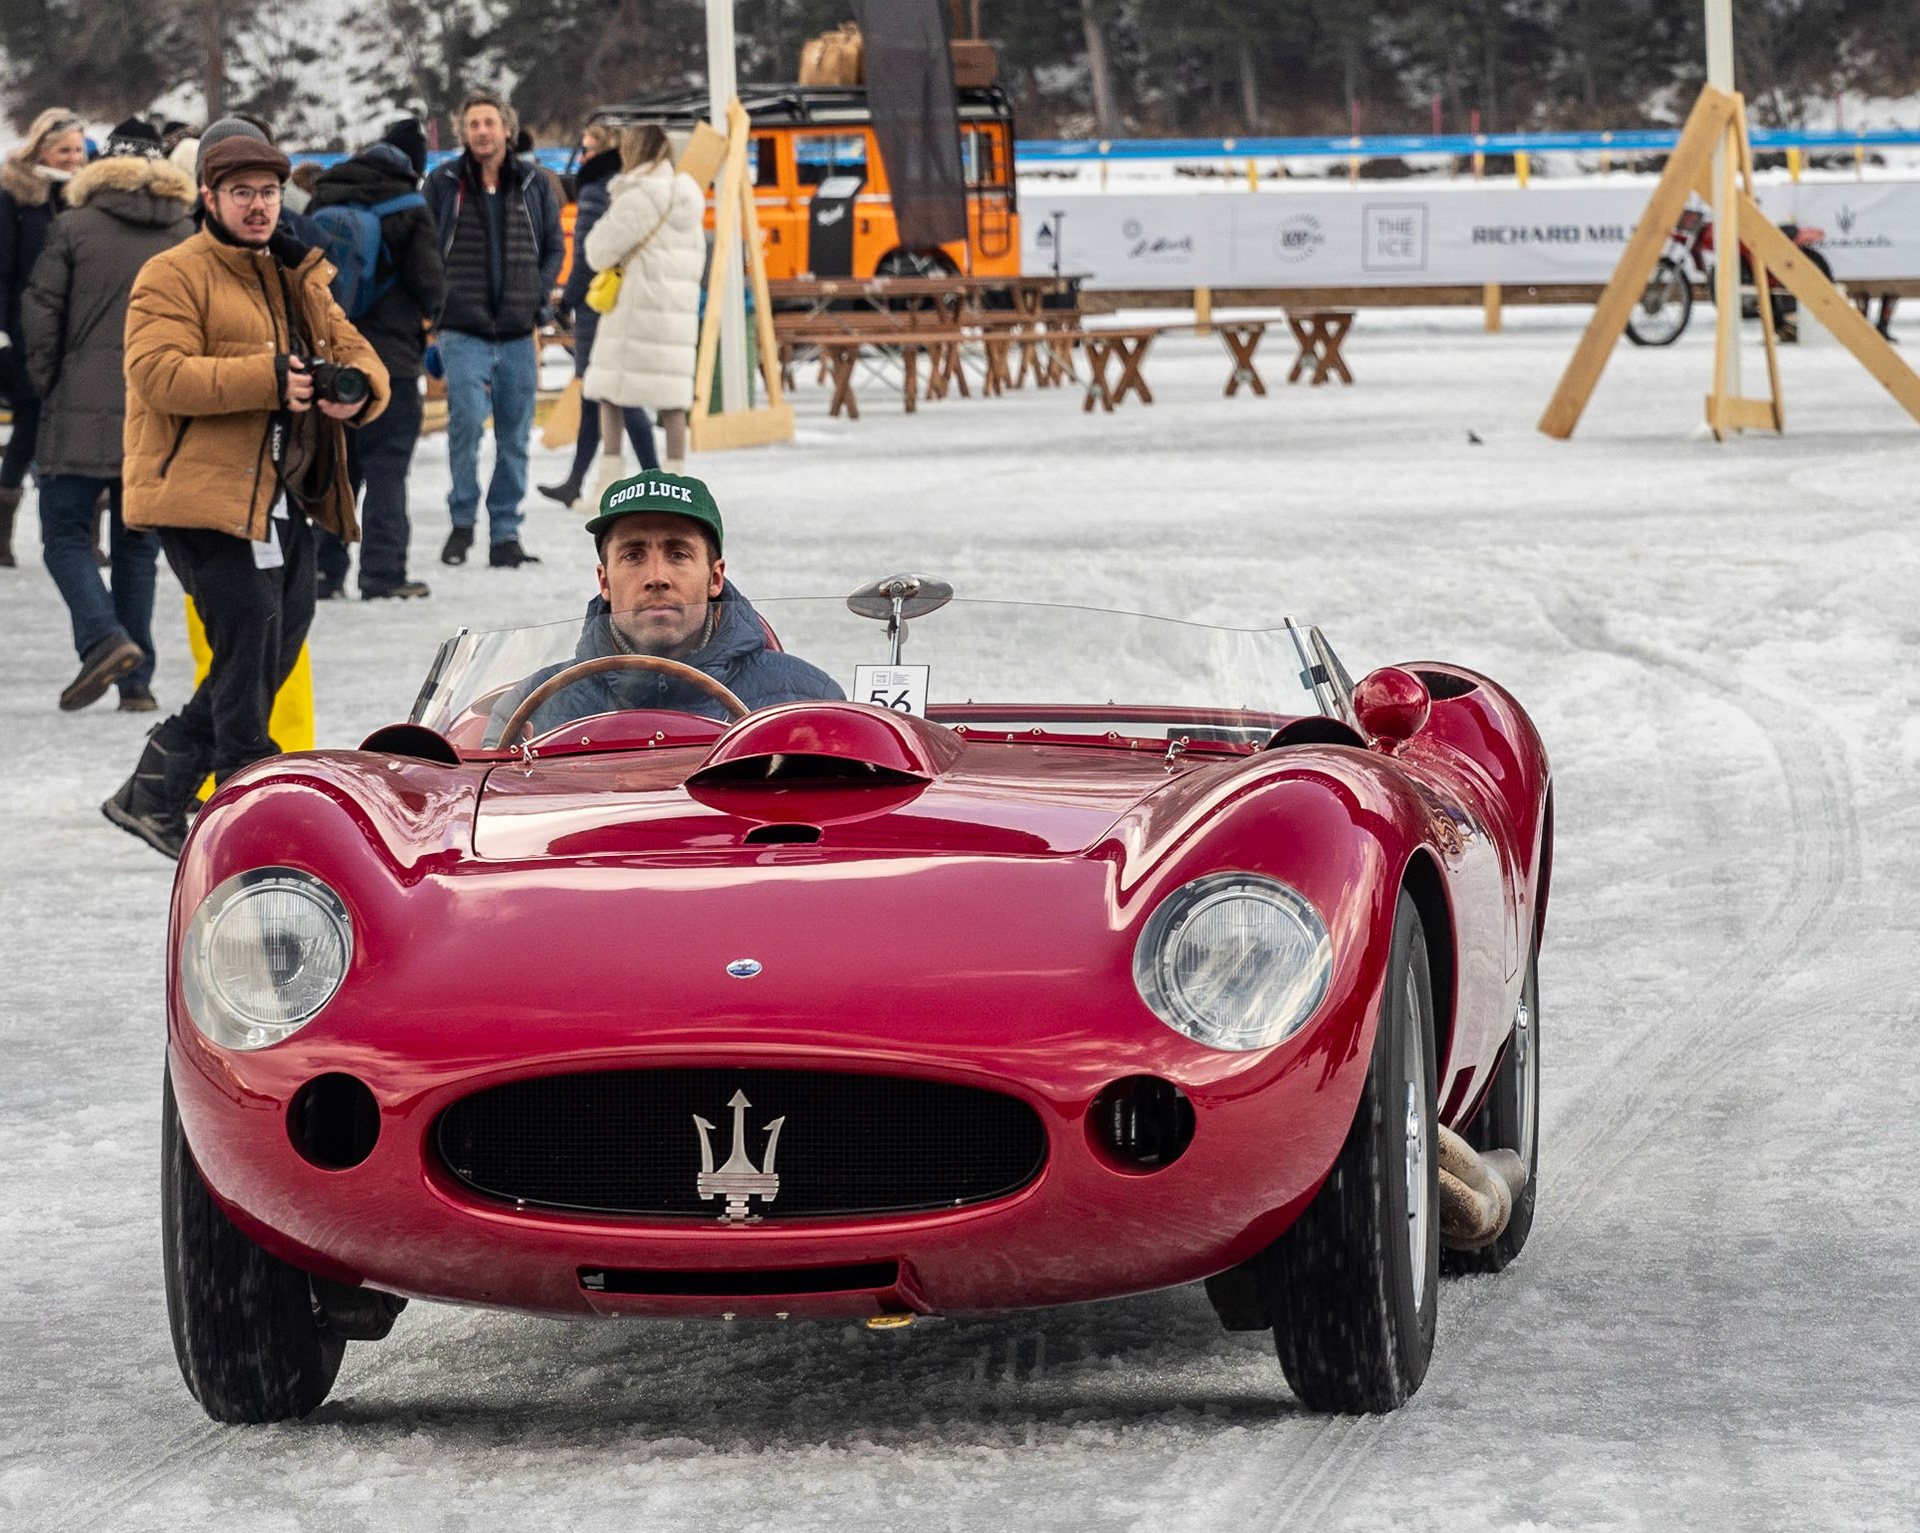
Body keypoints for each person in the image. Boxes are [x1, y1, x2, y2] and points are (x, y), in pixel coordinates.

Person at [103, 133, 391, 858]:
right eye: (242, 194)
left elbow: (357, 353)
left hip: (281, 493)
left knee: (276, 637)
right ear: (210, 197)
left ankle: (156, 786)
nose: (258, 206)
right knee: (249, 628)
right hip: (197, 490)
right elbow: (157, 373)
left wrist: (358, 393)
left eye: (267, 193)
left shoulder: (298, 273)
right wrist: (267, 378)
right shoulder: (173, 273)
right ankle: (244, 796)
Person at [20, 118, 195, 713]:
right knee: (136, 547)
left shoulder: (73, 225)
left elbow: (40, 312)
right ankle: (136, 685)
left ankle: (103, 637)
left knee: (63, 533)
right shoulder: (185, 231)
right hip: (156, 412)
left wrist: (50, 382)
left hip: (77, 408)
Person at [490, 470, 841, 742]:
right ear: (604, 581)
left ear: (715, 578)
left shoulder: (806, 701)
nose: (657, 577)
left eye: (678, 554)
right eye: (633, 555)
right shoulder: (531, 709)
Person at [424, 89, 564, 569]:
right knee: (465, 422)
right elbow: (426, 247)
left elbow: (554, 246)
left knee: (515, 435)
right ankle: (462, 520)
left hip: (518, 330)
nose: (481, 131)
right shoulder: (443, 182)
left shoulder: (534, 182)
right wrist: (437, 303)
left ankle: (505, 531)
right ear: (464, 133)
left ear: (507, 128)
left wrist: (537, 293)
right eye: (473, 124)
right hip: (461, 328)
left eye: (489, 122)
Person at [308, 122, 447, 600]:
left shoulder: (324, 197)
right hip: (392, 360)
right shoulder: (408, 207)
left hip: (330, 356)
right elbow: (431, 285)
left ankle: (323, 571)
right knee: (387, 467)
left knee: (336, 468)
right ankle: (382, 573)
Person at [538, 123, 657, 509]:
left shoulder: (593, 190)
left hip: (595, 304)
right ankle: (576, 481)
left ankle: (656, 477)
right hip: (618, 300)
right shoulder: (623, 185)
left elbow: (588, 255)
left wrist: (567, 300)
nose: (583, 156)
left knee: (614, 392)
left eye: (588, 149)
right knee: (597, 393)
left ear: (602, 151)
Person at [581, 125, 704, 493]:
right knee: (672, 404)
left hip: (635, 315)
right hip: (676, 317)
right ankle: (677, 488)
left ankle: (608, 486)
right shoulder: (687, 197)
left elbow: (597, 252)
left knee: (611, 395)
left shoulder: (637, 196)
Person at [0, 107, 87, 567]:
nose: (74, 158)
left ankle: (83, 534)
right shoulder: (15, 195)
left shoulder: (83, 197)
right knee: (30, 428)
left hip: (79, 335)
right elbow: (1, 271)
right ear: (41, 150)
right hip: (25, 335)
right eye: (64, 150)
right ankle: (2, 526)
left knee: (80, 432)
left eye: (78, 150)